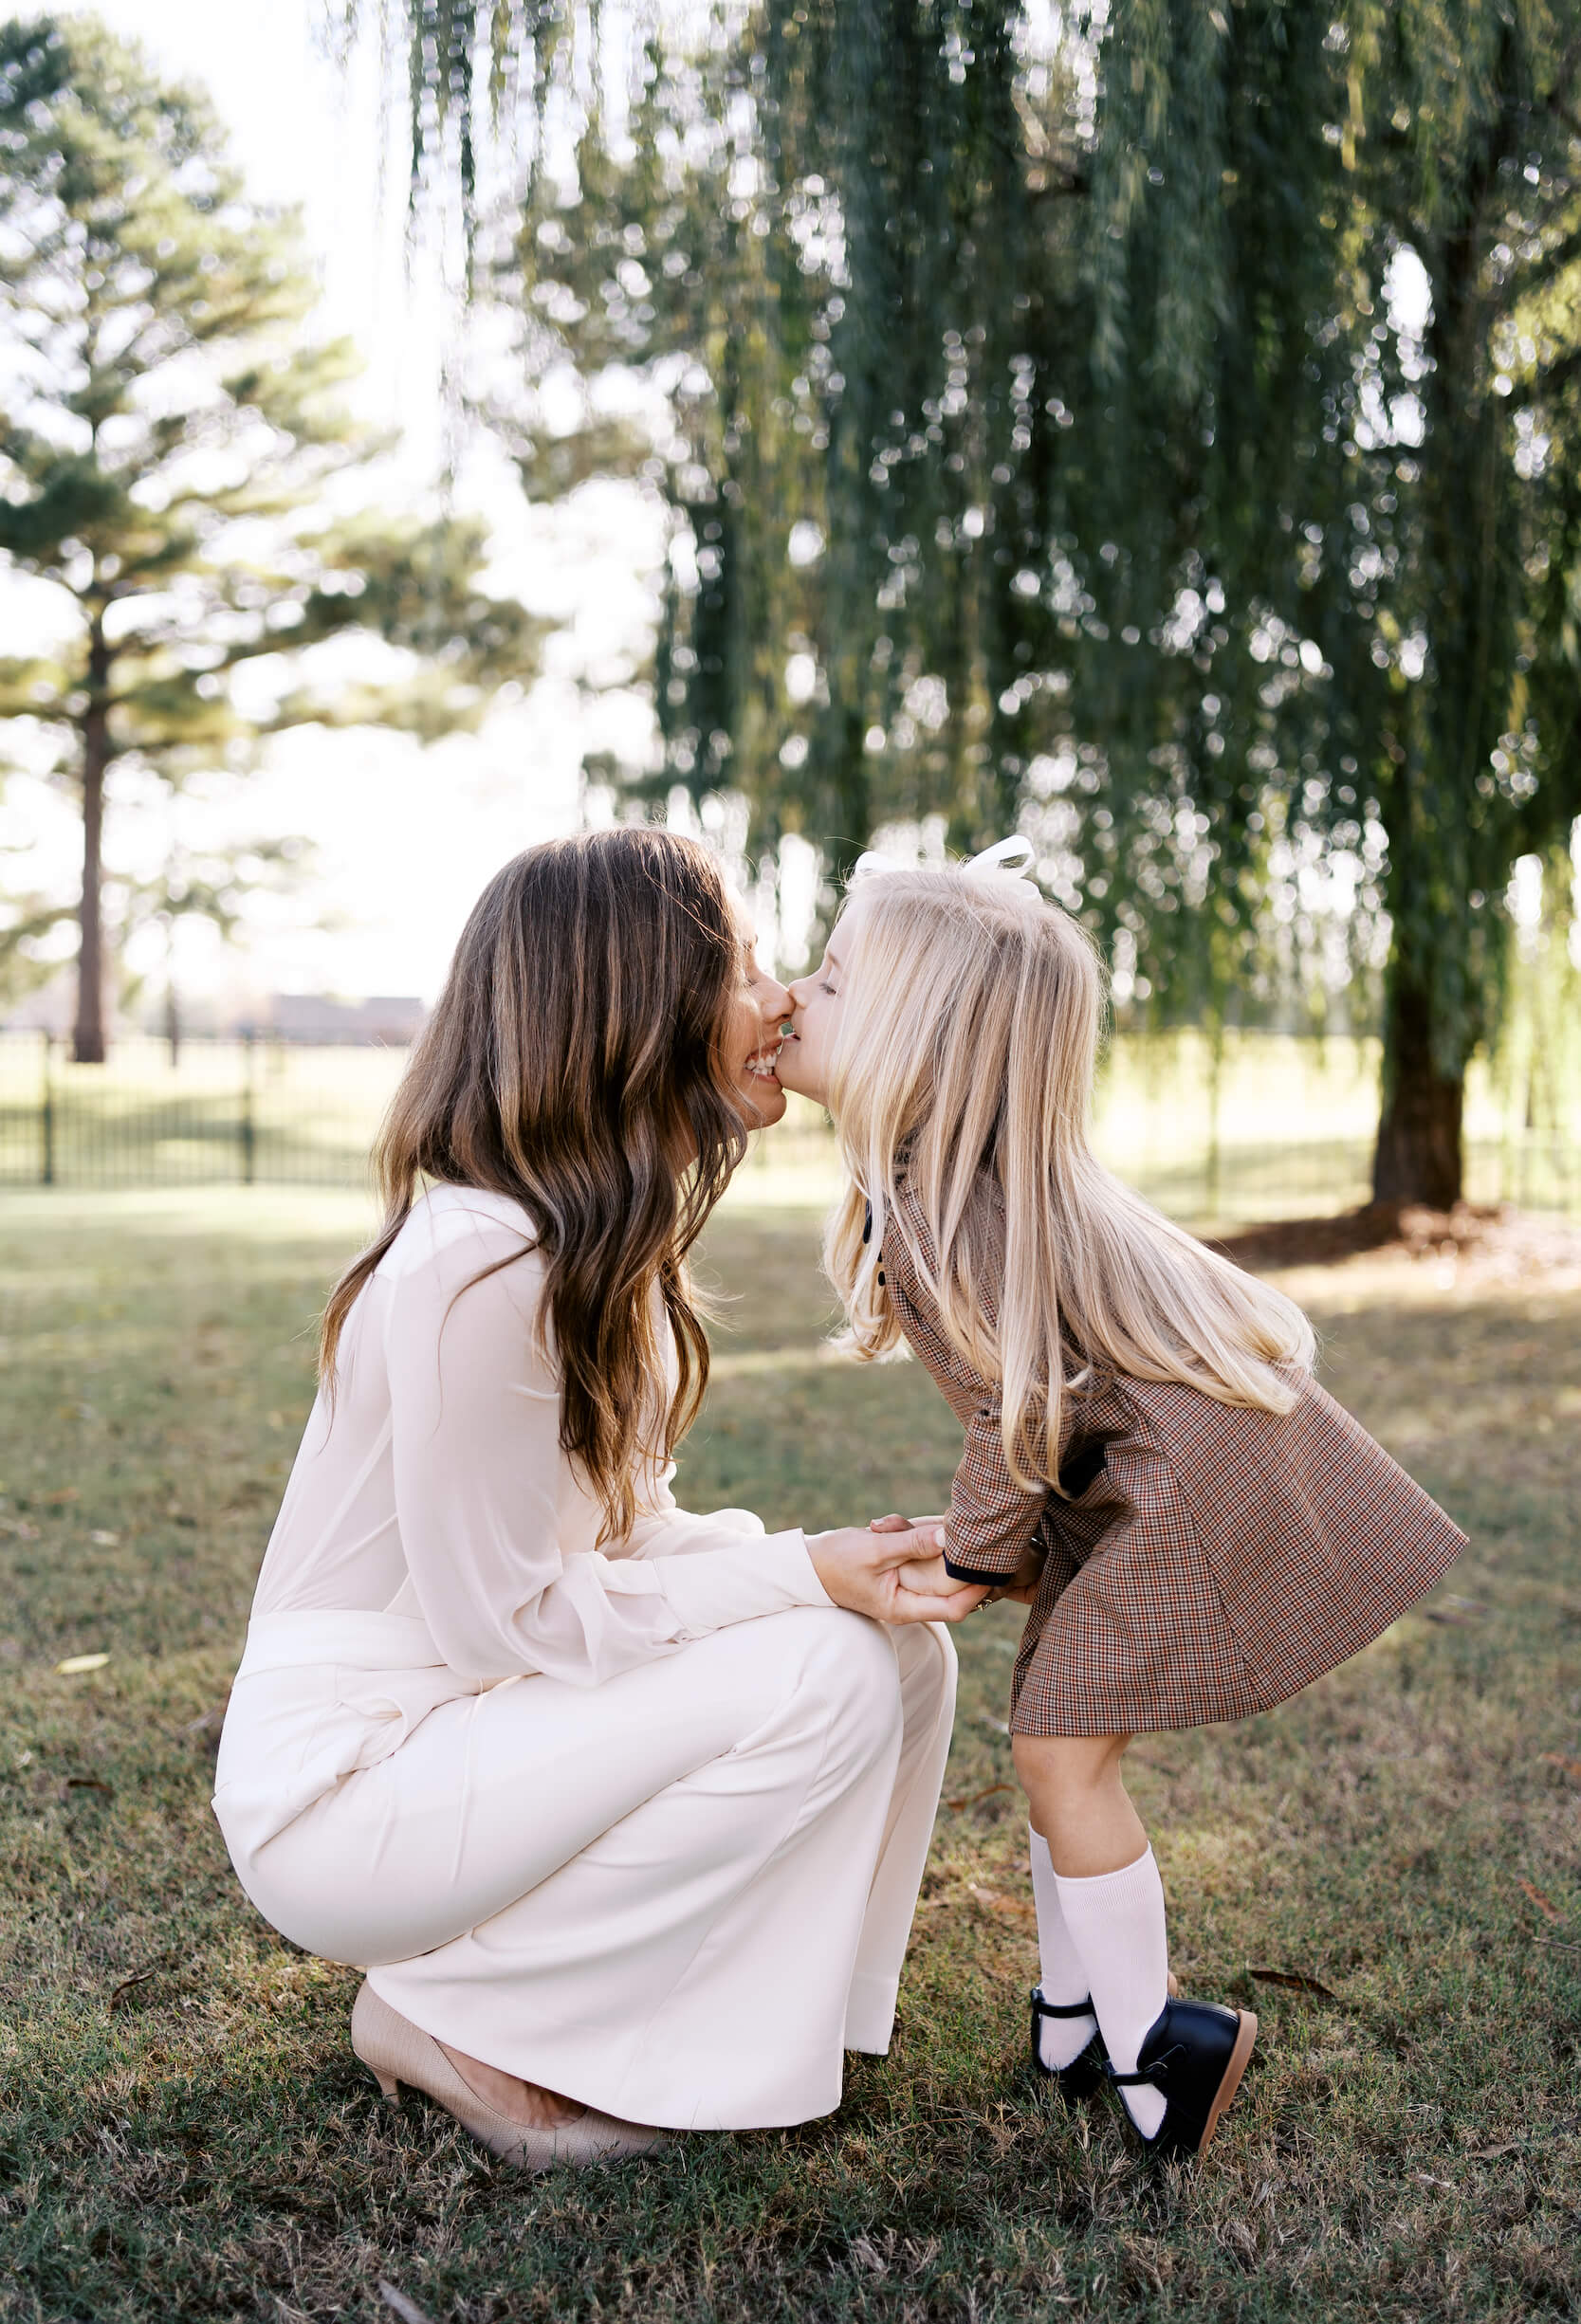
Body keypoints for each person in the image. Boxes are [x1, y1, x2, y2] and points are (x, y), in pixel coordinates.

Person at [212, 830, 988, 2172]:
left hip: (468, 1733)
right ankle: (458, 2024)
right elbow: (509, 1627)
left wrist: (853, 1564)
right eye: (747, 967)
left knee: (900, 1659)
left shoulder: (579, 1244)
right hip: (350, 1792)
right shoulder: (477, 1263)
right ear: (642, 1007)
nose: (784, 1000)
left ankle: (788, 2035)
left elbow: (632, 1545)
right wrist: (800, 1578)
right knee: (825, 1675)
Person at [774, 844, 1466, 2163]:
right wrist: (1002, 1547)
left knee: (1055, 1746)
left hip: (1188, 1500)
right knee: (1058, 1732)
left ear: (920, 1048)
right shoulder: (932, 1185)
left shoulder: (946, 1206)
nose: (797, 997)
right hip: (1153, 1487)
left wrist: (976, 1561)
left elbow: (1012, 1408)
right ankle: (1075, 2012)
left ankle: (1159, 2049)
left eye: (831, 980)